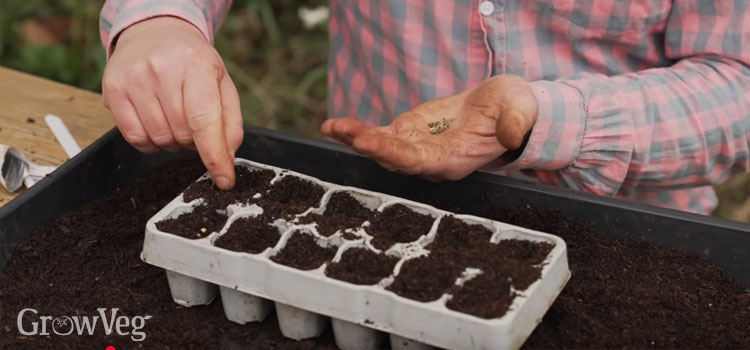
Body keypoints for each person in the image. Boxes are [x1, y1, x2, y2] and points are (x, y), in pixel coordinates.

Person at [99, 1, 750, 215]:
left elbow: (738, 83)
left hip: (621, 217)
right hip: (376, 188)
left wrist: (545, 119)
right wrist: (161, 20)